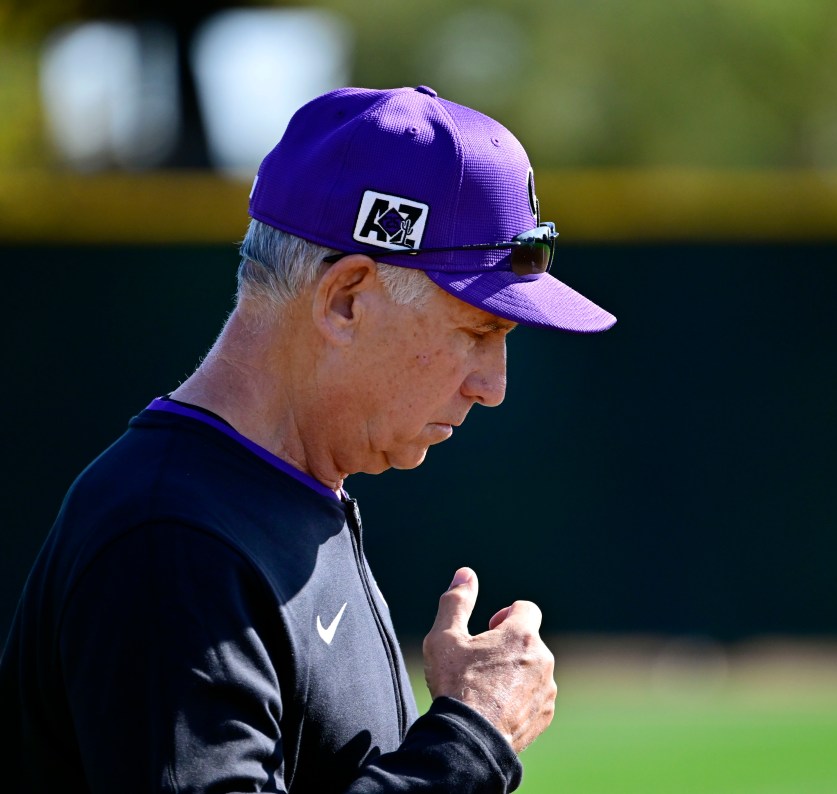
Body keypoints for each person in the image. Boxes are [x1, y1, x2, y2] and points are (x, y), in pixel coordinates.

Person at [1, 85, 615, 793]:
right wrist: (470, 744)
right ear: (346, 298)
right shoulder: (172, 540)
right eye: (478, 330)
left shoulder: (276, 495)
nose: (493, 385)